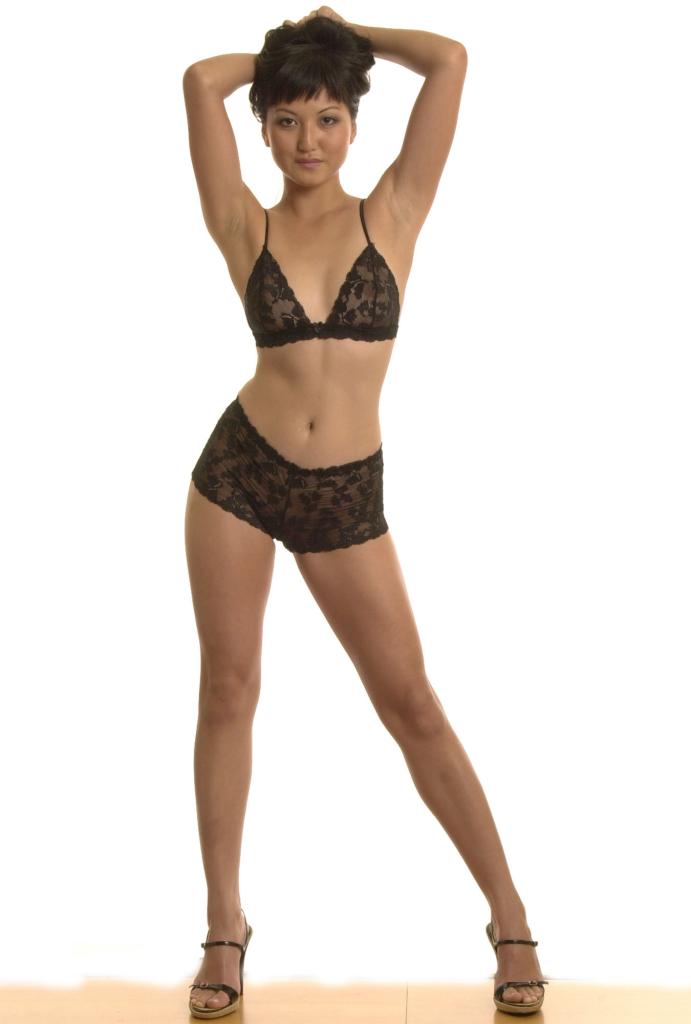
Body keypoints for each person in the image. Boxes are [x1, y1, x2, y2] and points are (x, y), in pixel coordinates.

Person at [182, 9, 548, 1018]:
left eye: (328, 118)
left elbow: (450, 59)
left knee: (412, 705)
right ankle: (223, 926)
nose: (307, 140)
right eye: (286, 119)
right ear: (263, 128)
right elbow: (199, 79)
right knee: (228, 690)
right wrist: (290, 58)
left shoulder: (393, 210)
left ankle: (510, 917)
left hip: (344, 491)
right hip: (239, 475)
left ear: (354, 124)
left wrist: (340, 38)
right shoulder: (242, 223)